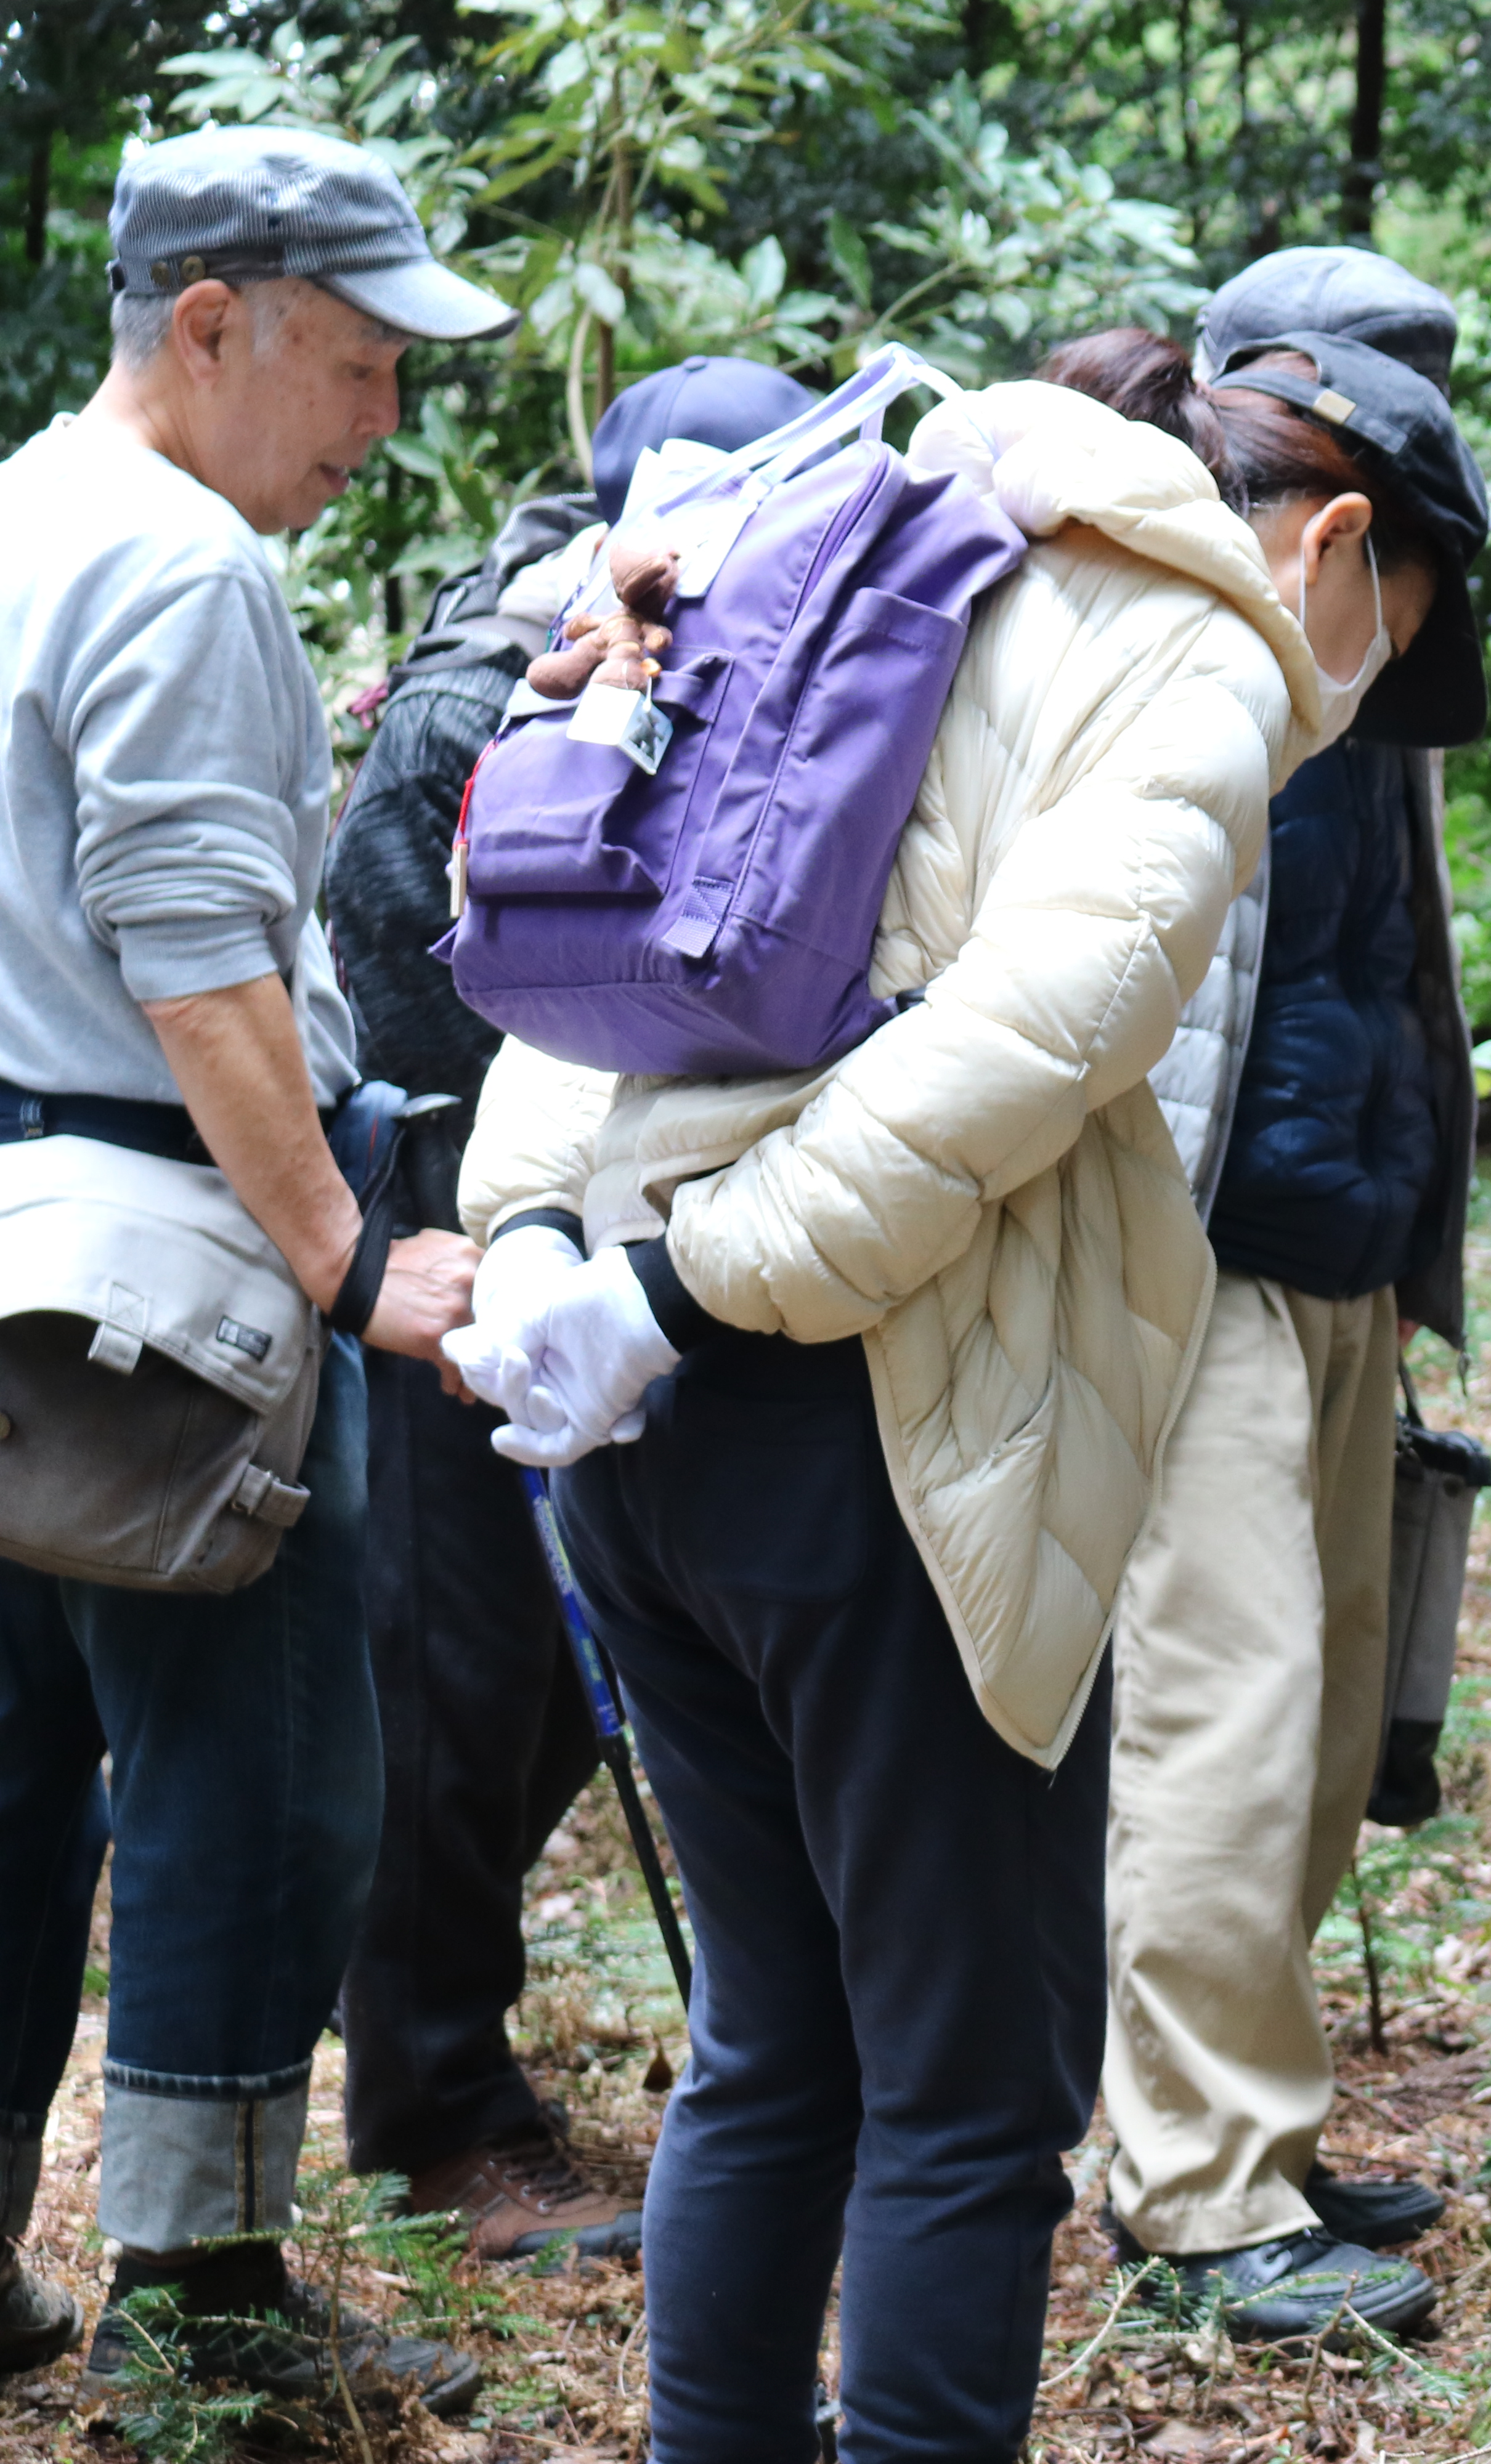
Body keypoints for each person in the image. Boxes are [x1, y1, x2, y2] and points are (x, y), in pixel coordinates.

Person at [445, 352, 1389, 2452]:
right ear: (1335, 551)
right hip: (885, 1412)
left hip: (631, 1413)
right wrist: (696, 1285)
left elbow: (577, 930)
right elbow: (1027, 1051)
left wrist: (537, 1241)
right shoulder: (1183, 653)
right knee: (969, 2086)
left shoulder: (835, 537)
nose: (1365, 685)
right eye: (1393, 635)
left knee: (777, 2043)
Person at [0, 128, 513, 2413]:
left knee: (16, 1768)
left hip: (15, 1216)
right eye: (361, 358)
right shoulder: (182, 559)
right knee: (262, 1765)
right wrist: (347, 1256)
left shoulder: (21, 510)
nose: (382, 413)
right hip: (164, 1244)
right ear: (209, 322)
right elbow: (201, 954)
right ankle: (202, 2324)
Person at [323, 354, 817, 2269]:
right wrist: (475, 1243)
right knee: (458, 1689)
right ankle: (435, 2113)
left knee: (547, 1690)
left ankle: (418, 2010)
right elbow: (398, 971)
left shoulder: (729, 652)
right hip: (459, 1248)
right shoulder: (485, 685)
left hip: (617, 1257)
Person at [1076, 253, 1488, 2341]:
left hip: (1345, 1245)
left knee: (1324, 1725)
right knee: (1223, 1720)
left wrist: (1426, 1227)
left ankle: (1251, 2123)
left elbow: (1385, 955)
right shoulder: (1149, 616)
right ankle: (1200, 2196)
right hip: (1196, 1256)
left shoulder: (1369, 622)